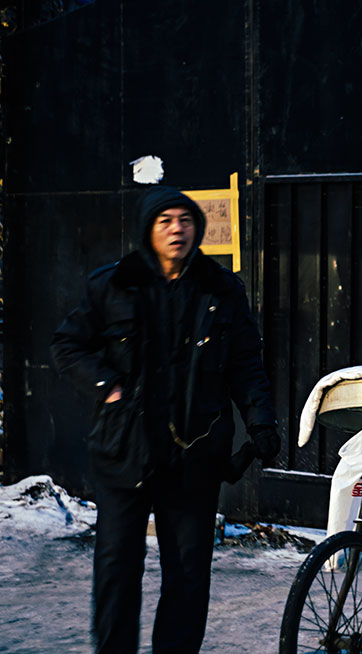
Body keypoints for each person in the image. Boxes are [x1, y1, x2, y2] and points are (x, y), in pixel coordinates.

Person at [51, 186, 281, 653]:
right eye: (165, 221)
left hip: (194, 457)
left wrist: (260, 422)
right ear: (147, 230)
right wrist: (108, 386)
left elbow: (246, 362)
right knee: (117, 571)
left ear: (197, 229)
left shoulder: (220, 289)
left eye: (186, 220)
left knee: (189, 574)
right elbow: (67, 344)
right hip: (125, 454)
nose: (177, 228)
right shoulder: (113, 284)